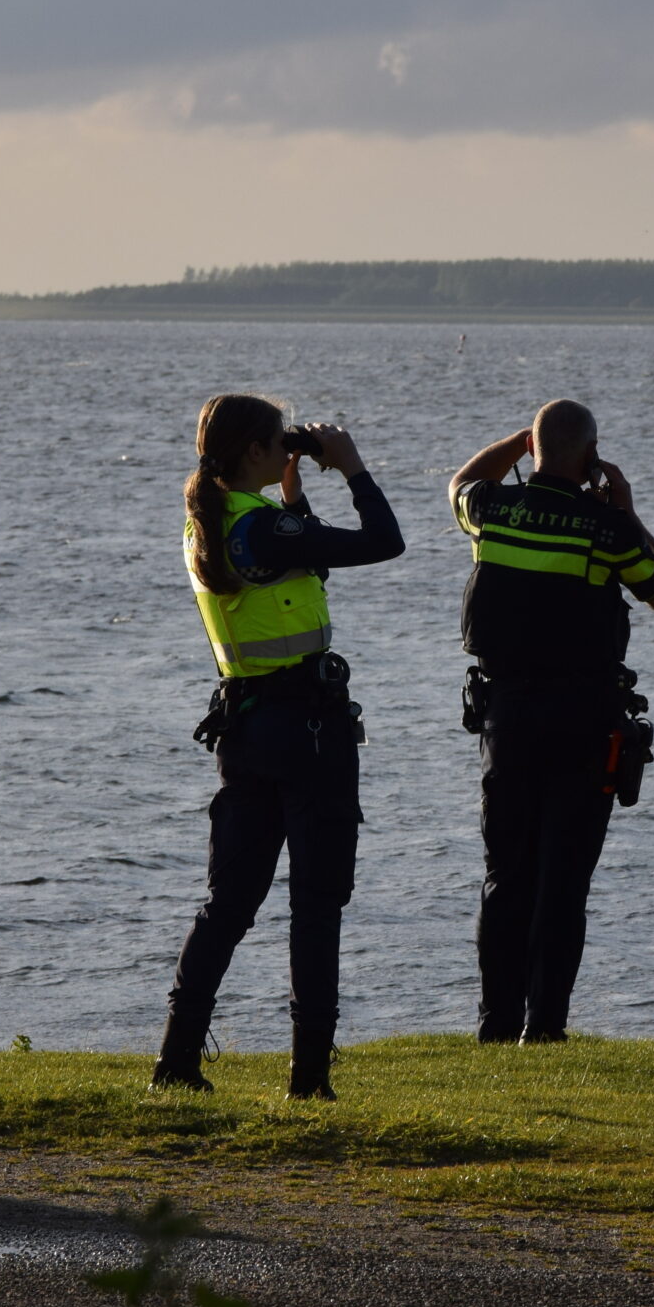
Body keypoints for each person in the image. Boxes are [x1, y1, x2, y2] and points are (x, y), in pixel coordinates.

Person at [154, 394, 405, 1099]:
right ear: (255, 453)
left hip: (246, 729)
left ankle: (176, 1062)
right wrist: (352, 467)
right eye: (279, 442)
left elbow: (292, 567)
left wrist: (294, 501)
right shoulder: (266, 528)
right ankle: (308, 1080)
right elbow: (384, 540)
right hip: (307, 732)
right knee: (316, 905)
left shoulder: (211, 522)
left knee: (228, 903)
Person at [449, 399, 654, 1044]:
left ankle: (494, 1026)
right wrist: (627, 511)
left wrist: (519, 444)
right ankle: (544, 1027)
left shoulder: (494, 512)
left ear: (533, 446)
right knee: (563, 878)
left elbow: (460, 483)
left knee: (506, 875)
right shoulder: (605, 530)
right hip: (585, 720)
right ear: (591, 457)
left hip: (507, 717)